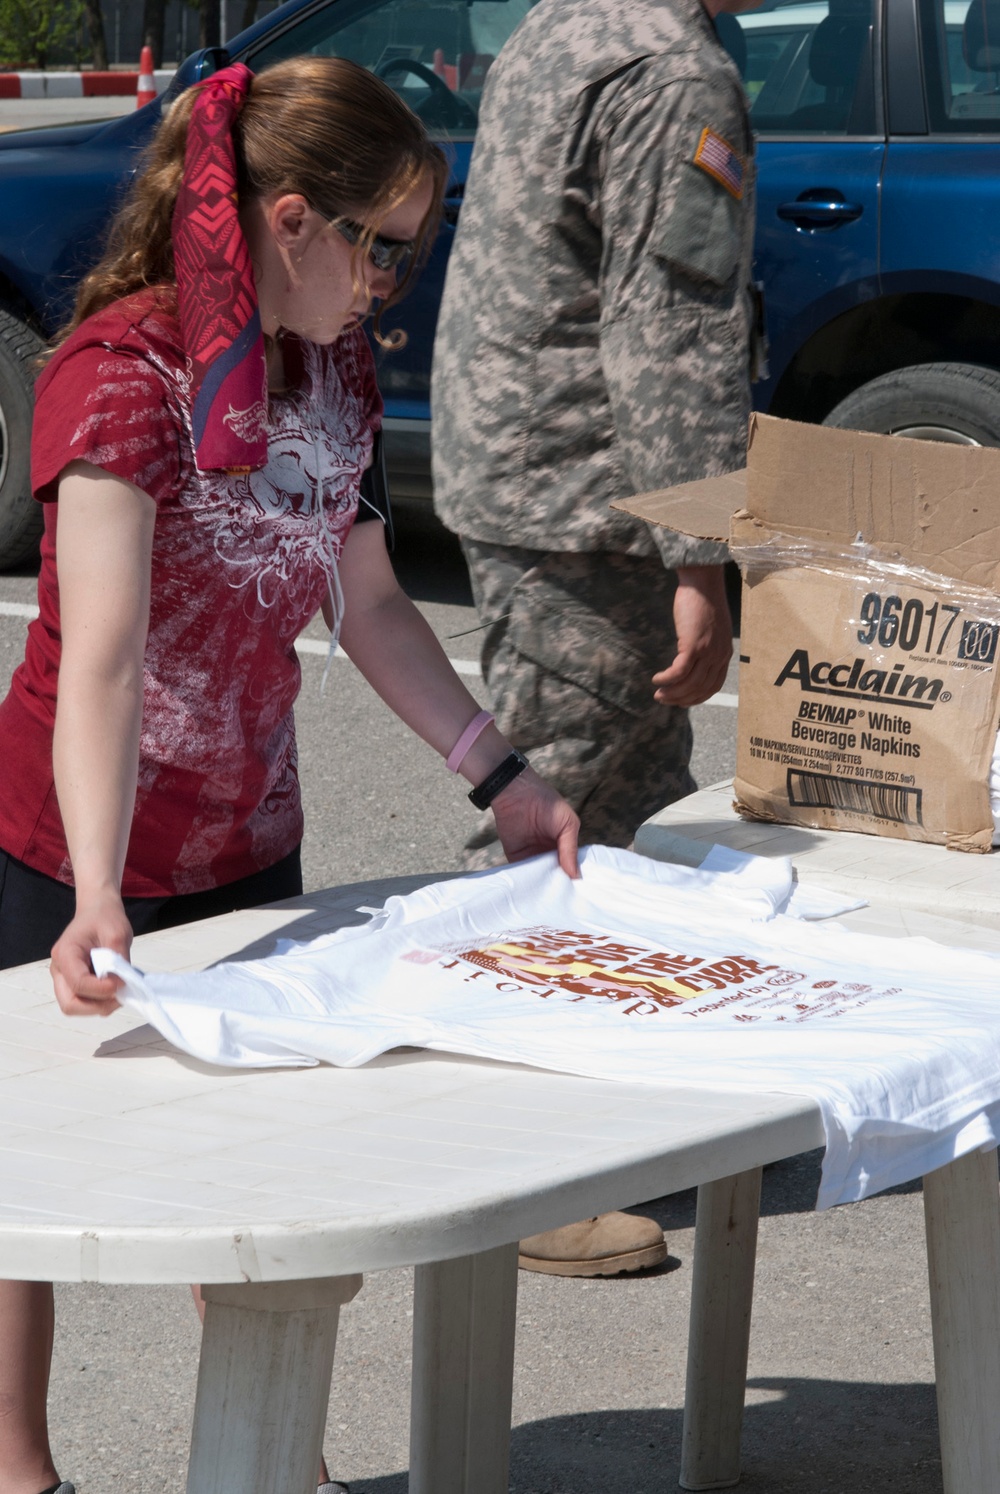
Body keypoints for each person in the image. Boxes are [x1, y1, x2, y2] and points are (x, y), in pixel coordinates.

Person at [0, 57, 579, 1494]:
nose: (392, 285)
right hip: (64, 851)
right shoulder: (117, 379)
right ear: (292, 217)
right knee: (19, 1184)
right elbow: (105, 660)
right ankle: (18, 1468)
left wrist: (500, 775)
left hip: (247, 841)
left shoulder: (333, 368)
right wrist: (92, 891)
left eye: (412, 253)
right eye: (384, 248)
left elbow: (370, 605)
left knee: (246, 1175)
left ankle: (274, 1460)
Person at [432, 0, 759, 1275]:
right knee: (550, 818)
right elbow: (668, 330)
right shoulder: (674, 67)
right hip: (587, 498)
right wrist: (700, 555)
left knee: (625, 810)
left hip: (526, 463)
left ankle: (608, 1123)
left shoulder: (567, 21)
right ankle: (497, 1167)